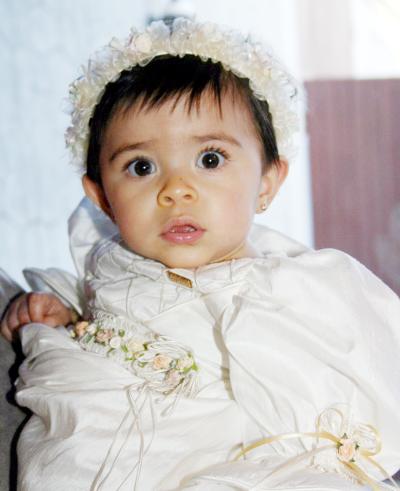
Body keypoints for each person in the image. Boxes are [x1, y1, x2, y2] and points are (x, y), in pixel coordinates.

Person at [1, 17, 399, 491]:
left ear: (267, 182)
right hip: (95, 455)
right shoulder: (107, 263)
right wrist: (61, 316)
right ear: (103, 197)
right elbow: (100, 315)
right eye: (141, 166)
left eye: (209, 159)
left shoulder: (292, 293)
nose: (176, 190)